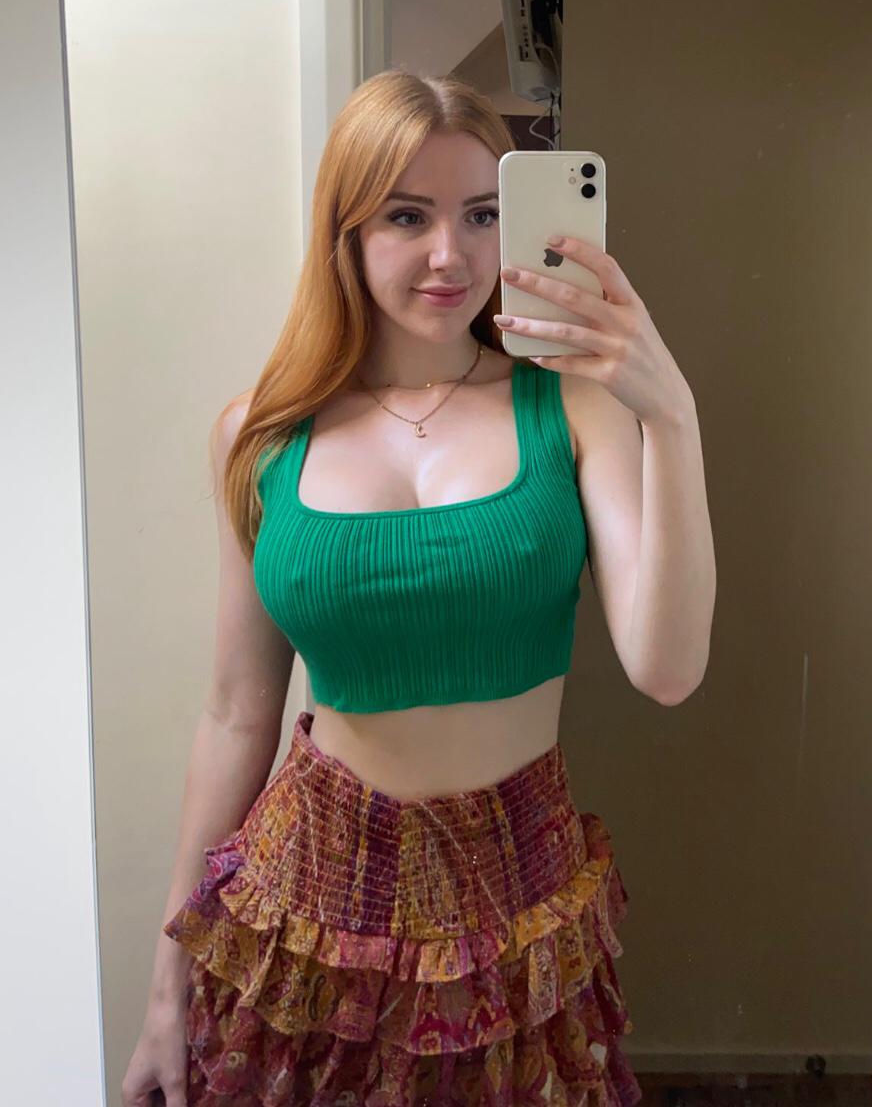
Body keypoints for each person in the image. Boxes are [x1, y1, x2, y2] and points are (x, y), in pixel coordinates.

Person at [120, 70, 717, 1107]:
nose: (453, 254)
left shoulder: (572, 406)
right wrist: (166, 987)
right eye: (408, 216)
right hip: (306, 911)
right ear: (346, 233)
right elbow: (236, 713)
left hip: (515, 910)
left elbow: (667, 669)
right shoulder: (260, 435)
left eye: (482, 214)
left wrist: (671, 414)